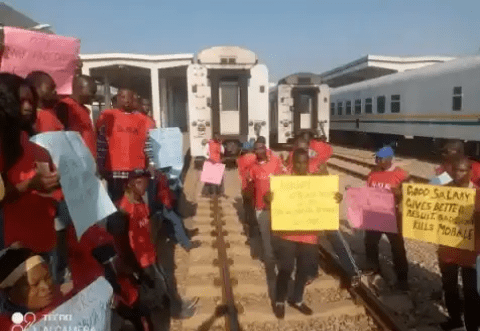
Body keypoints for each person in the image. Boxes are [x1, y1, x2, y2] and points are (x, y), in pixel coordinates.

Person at [268, 148, 342, 319]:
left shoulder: (316, 182)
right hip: (288, 234)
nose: (301, 166)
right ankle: (279, 300)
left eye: (304, 163)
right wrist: (269, 199)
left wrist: (336, 198)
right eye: (298, 163)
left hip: (309, 235)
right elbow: (271, 201)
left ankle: (298, 299)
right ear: (293, 164)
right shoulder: (283, 182)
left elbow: (329, 198)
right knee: (285, 269)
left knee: (304, 270)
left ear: (308, 163)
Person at [117, 169, 197, 322]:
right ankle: (173, 311)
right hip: (140, 260)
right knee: (160, 286)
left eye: (145, 182)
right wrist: (132, 264)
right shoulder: (125, 209)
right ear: (130, 184)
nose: (144, 186)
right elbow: (124, 241)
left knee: (164, 281)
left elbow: (147, 230)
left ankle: (174, 306)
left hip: (150, 254)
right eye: (140, 182)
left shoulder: (140, 201)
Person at [437, 157, 480, 331]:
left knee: (471, 293)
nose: (458, 174)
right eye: (455, 170)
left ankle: (472, 326)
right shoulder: (443, 189)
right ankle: (454, 319)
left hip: (470, 252)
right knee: (449, 288)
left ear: (470, 172)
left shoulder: (478, 194)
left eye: (462, 170)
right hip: (447, 250)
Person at [364, 146, 410, 291]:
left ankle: (402, 278)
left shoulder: (401, 174)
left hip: (392, 216)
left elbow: (411, 193)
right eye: (376, 158)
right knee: (370, 242)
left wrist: (400, 193)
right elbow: (368, 190)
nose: (377, 161)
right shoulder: (373, 172)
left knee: (397, 248)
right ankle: (373, 269)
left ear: (390, 159)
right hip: (375, 214)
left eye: (380, 158)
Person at [96, 88, 153, 202]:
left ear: (135, 99)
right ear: (117, 98)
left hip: (136, 172)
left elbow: (149, 145)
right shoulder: (107, 116)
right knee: (116, 205)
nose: (126, 100)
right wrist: (100, 165)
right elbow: (101, 143)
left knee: (135, 205)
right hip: (114, 172)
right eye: (122, 97)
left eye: (130, 97)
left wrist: (150, 166)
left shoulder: (144, 120)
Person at [0, 247, 68, 330]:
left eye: (47, 277)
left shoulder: (65, 295)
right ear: (12, 293)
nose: (46, 287)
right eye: (35, 284)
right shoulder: (11, 326)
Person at [247, 138, 285, 280]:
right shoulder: (253, 167)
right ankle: (269, 262)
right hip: (260, 207)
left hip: (277, 207)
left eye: (261, 148)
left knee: (279, 235)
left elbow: (285, 179)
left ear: (265, 148)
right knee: (265, 236)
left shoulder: (276, 161)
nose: (259, 151)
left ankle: (281, 260)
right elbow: (250, 187)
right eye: (256, 149)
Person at [54, 75, 98, 159]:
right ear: (79, 89)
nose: (93, 97)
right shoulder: (65, 106)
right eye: (91, 93)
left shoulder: (84, 109)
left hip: (88, 161)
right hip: (76, 161)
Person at [202, 132, 226, 197]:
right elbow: (222, 152)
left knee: (212, 178)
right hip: (214, 162)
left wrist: (209, 158)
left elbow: (204, 153)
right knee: (214, 178)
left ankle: (211, 193)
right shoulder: (217, 144)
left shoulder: (211, 144)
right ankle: (215, 192)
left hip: (213, 162)